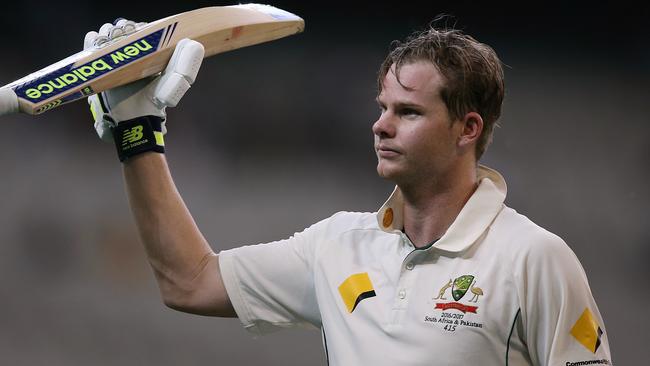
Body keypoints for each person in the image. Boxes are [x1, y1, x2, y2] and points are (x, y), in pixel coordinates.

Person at [0, 17, 613, 366]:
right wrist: (139, 133)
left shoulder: (535, 260)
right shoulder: (336, 247)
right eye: (382, 107)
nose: (381, 124)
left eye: (408, 112)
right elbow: (188, 281)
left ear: (467, 128)